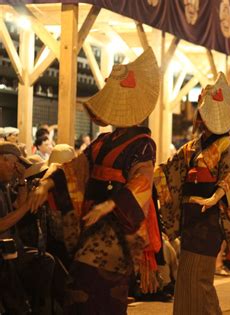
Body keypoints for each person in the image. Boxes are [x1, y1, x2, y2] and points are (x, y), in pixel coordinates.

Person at [29, 48, 162, 315]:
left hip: (117, 226)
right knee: (80, 282)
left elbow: (141, 182)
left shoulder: (143, 144)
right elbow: (75, 168)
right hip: (92, 220)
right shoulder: (102, 142)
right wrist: (48, 183)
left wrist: (110, 205)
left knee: (98, 286)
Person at [154, 72, 230, 315]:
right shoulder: (193, 147)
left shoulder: (227, 145)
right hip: (191, 217)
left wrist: (215, 196)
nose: (203, 119)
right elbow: (170, 170)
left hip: (210, 218)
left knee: (199, 278)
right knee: (187, 279)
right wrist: (147, 175)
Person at [0, 142, 55, 314]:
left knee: (46, 262)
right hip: (4, 256)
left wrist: (23, 183)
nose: (16, 168)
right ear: (1, 160)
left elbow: (18, 206)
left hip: (13, 250)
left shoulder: (5, 187)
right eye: (13, 163)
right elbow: (1, 224)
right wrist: (29, 204)